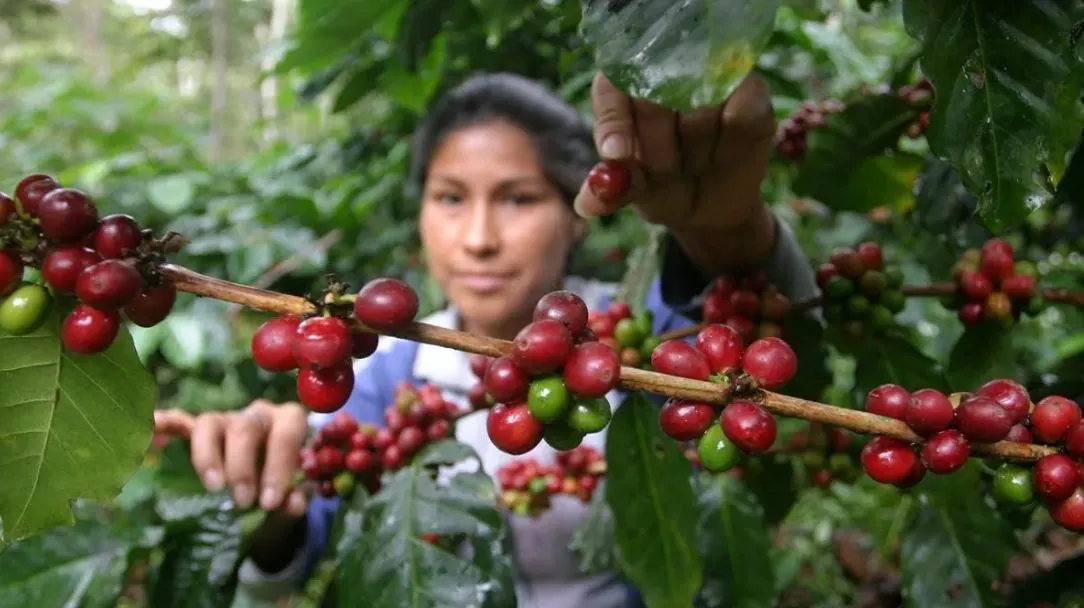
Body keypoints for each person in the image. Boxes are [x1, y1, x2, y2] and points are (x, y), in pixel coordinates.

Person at [154, 70, 818, 607]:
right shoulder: (384, 373)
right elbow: (289, 563)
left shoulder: (631, 349)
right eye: (449, 198)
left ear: (578, 216)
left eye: (519, 199)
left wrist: (727, 228)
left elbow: (759, 329)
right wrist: (271, 498)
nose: (478, 238)